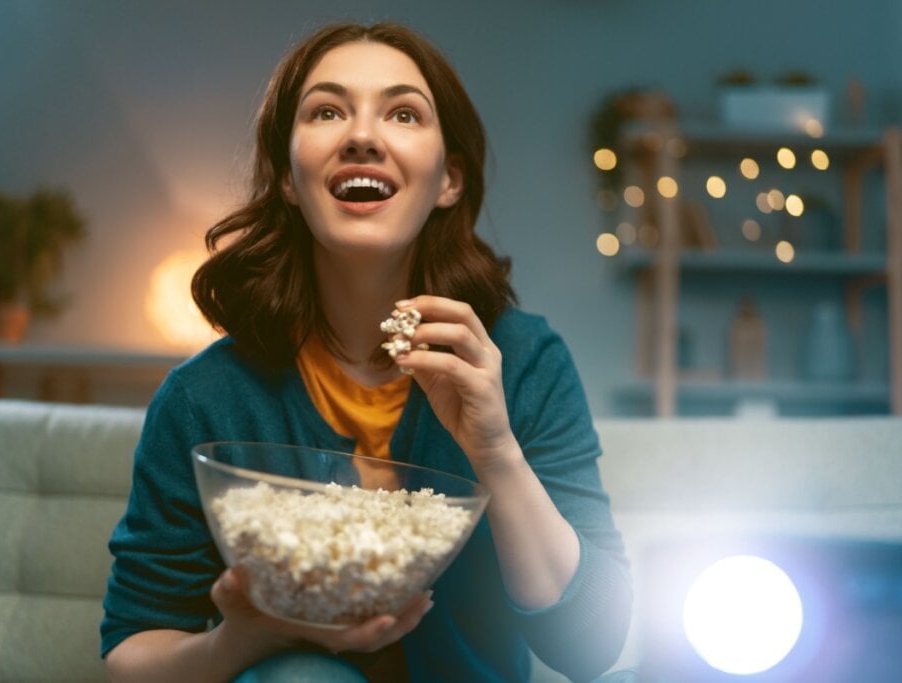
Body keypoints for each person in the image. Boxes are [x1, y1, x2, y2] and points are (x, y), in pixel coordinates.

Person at [101, 21, 632, 683]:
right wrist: (247, 638)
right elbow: (130, 655)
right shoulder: (206, 398)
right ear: (290, 178)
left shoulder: (522, 361)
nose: (360, 135)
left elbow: (593, 645)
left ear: (449, 180)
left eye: (404, 113)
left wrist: (495, 449)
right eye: (326, 111)